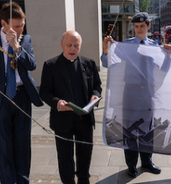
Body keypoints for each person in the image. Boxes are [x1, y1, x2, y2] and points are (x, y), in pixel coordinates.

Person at [0, 2, 43, 183]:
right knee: (3, 146)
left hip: (22, 97)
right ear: (3, 24)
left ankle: (22, 180)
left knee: (22, 145)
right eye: (16, 26)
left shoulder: (25, 40)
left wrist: (17, 47)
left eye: (22, 25)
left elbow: (32, 65)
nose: (20, 29)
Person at [101, 12, 171, 178]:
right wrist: (106, 50)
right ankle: (131, 164)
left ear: (148, 26)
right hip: (131, 93)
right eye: (136, 26)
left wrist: (169, 55)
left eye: (142, 26)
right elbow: (107, 63)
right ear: (134, 27)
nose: (139, 29)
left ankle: (147, 161)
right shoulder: (126, 45)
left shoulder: (155, 46)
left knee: (148, 129)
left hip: (148, 93)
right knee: (130, 129)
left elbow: (164, 69)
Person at [39, 30, 102, 184]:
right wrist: (57, 103)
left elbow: (97, 86)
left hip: (84, 119)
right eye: (69, 45)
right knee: (65, 157)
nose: (72, 49)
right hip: (62, 120)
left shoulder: (89, 63)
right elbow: (44, 92)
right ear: (62, 44)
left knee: (85, 154)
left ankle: (83, 180)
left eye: (76, 45)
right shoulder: (50, 65)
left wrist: (95, 95)